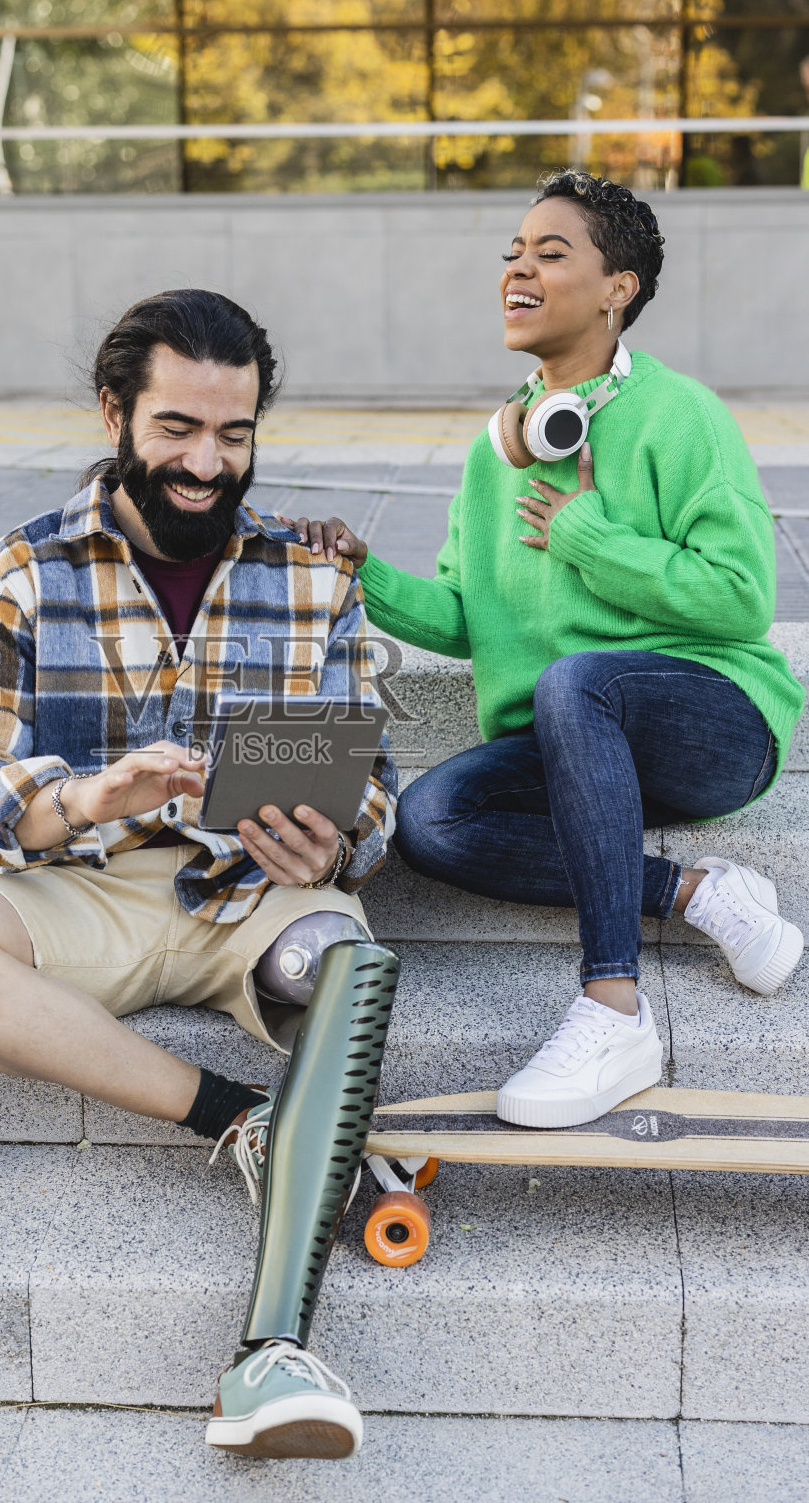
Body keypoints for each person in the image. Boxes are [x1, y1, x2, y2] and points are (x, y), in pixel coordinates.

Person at [0, 289, 399, 1462]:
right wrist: (84, 797)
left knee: (348, 966)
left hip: (254, 894)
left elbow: (373, 785)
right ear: (114, 411)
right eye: (176, 429)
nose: (207, 463)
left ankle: (269, 1348)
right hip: (79, 889)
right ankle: (242, 1120)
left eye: (234, 434)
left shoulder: (312, 575)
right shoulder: (19, 569)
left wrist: (339, 839)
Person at [289, 170, 805, 1130]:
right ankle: (697, 893)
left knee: (579, 683)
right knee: (431, 818)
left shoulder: (680, 415)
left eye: (550, 253)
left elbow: (741, 598)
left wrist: (589, 539)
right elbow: (467, 617)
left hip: (715, 721)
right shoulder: (499, 452)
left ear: (619, 286)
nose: (518, 269)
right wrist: (363, 575)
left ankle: (613, 1005)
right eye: (511, 255)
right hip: (577, 743)